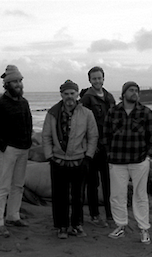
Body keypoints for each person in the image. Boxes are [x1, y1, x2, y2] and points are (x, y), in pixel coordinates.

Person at [103, 81, 152, 244]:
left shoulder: (146, 112)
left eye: (136, 90)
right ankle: (120, 226)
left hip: (139, 160)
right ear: (124, 93)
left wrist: (149, 154)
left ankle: (144, 229)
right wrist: (109, 152)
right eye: (131, 90)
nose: (135, 93)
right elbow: (105, 135)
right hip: (117, 160)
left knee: (140, 195)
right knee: (117, 195)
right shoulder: (113, 112)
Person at [42, 80, 98, 239]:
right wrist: (49, 156)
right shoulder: (52, 113)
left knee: (78, 196)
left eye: (72, 93)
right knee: (60, 196)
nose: (69, 97)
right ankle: (61, 226)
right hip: (58, 161)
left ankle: (77, 225)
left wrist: (88, 156)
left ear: (77, 94)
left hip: (79, 160)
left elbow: (93, 136)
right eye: (66, 94)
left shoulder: (87, 113)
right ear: (61, 95)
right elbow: (46, 136)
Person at [0, 65, 33, 237]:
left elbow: (29, 123)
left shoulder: (24, 102)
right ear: (7, 84)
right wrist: (2, 147)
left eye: (20, 81)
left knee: (18, 185)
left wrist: (28, 142)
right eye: (15, 82)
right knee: (3, 186)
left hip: (23, 149)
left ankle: (13, 216)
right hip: (8, 150)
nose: (19, 84)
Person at [80, 66, 115, 227]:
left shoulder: (109, 97)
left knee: (109, 182)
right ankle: (94, 215)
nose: (97, 81)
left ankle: (110, 214)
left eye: (99, 78)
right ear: (89, 80)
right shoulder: (87, 99)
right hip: (93, 147)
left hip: (108, 147)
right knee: (92, 183)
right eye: (94, 78)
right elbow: (83, 123)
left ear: (103, 78)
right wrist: (89, 145)